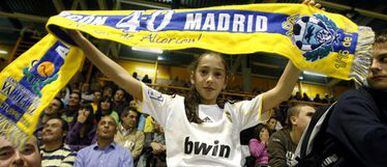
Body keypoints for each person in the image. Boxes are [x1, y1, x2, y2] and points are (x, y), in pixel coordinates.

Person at [66, 1, 322, 165]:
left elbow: (282, 91)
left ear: (225, 81)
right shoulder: (170, 106)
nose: (210, 79)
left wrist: (304, 42)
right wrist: (84, 43)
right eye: (204, 72)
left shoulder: (236, 111)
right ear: (193, 76)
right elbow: (121, 76)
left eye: (217, 74)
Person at [326, 32, 387, 166]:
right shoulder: (351, 102)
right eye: (368, 60)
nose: (373, 66)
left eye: (384, 59)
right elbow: (380, 149)